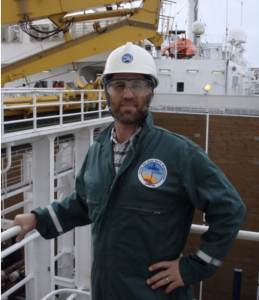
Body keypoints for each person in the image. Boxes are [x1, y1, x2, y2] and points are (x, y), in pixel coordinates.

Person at [11, 42, 246, 300]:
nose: (128, 94)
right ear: (106, 92)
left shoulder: (180, 154)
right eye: (118, 85)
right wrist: (38, 219)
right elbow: (84, 204)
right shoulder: (98, 150)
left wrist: (195, 267)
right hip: (105, 290)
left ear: (151, 92)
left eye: (138, 86)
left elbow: (230, 209)